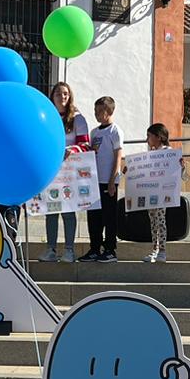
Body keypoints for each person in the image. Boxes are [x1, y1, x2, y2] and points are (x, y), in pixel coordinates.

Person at [39, 82, 88, 263]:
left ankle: (69, 250)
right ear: (52, 97)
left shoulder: (78, 119)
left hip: (69, 172)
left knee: (68, 211)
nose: (62, 97)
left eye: (66, 93)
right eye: (59, 94)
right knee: (50, 210)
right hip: (51, 172)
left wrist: (72, 150)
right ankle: (50, 249)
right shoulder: (46, 116)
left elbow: (86, 145)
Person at [81, 96, 122, 263]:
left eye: (100, 111)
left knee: (109, 216)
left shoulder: (115, 131)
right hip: (94, 181)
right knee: (94, 216)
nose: (97, 114)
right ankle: (94, 248)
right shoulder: (94, 132)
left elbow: (118, 155)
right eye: (95, 111)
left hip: (108, 181)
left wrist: (112, 180)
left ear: (109, 111)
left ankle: (110, 249)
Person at [137, 122, 179, 264]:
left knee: (160, 221)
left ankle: (162, 251)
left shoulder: (169, 152)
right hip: (151, 193)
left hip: (163, 194)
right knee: (153, 221)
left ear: (159, 137)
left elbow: (178, 173)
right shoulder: (151, 154)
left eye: (149, 136)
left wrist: (181, 166)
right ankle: (154, 250)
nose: (147, 140)